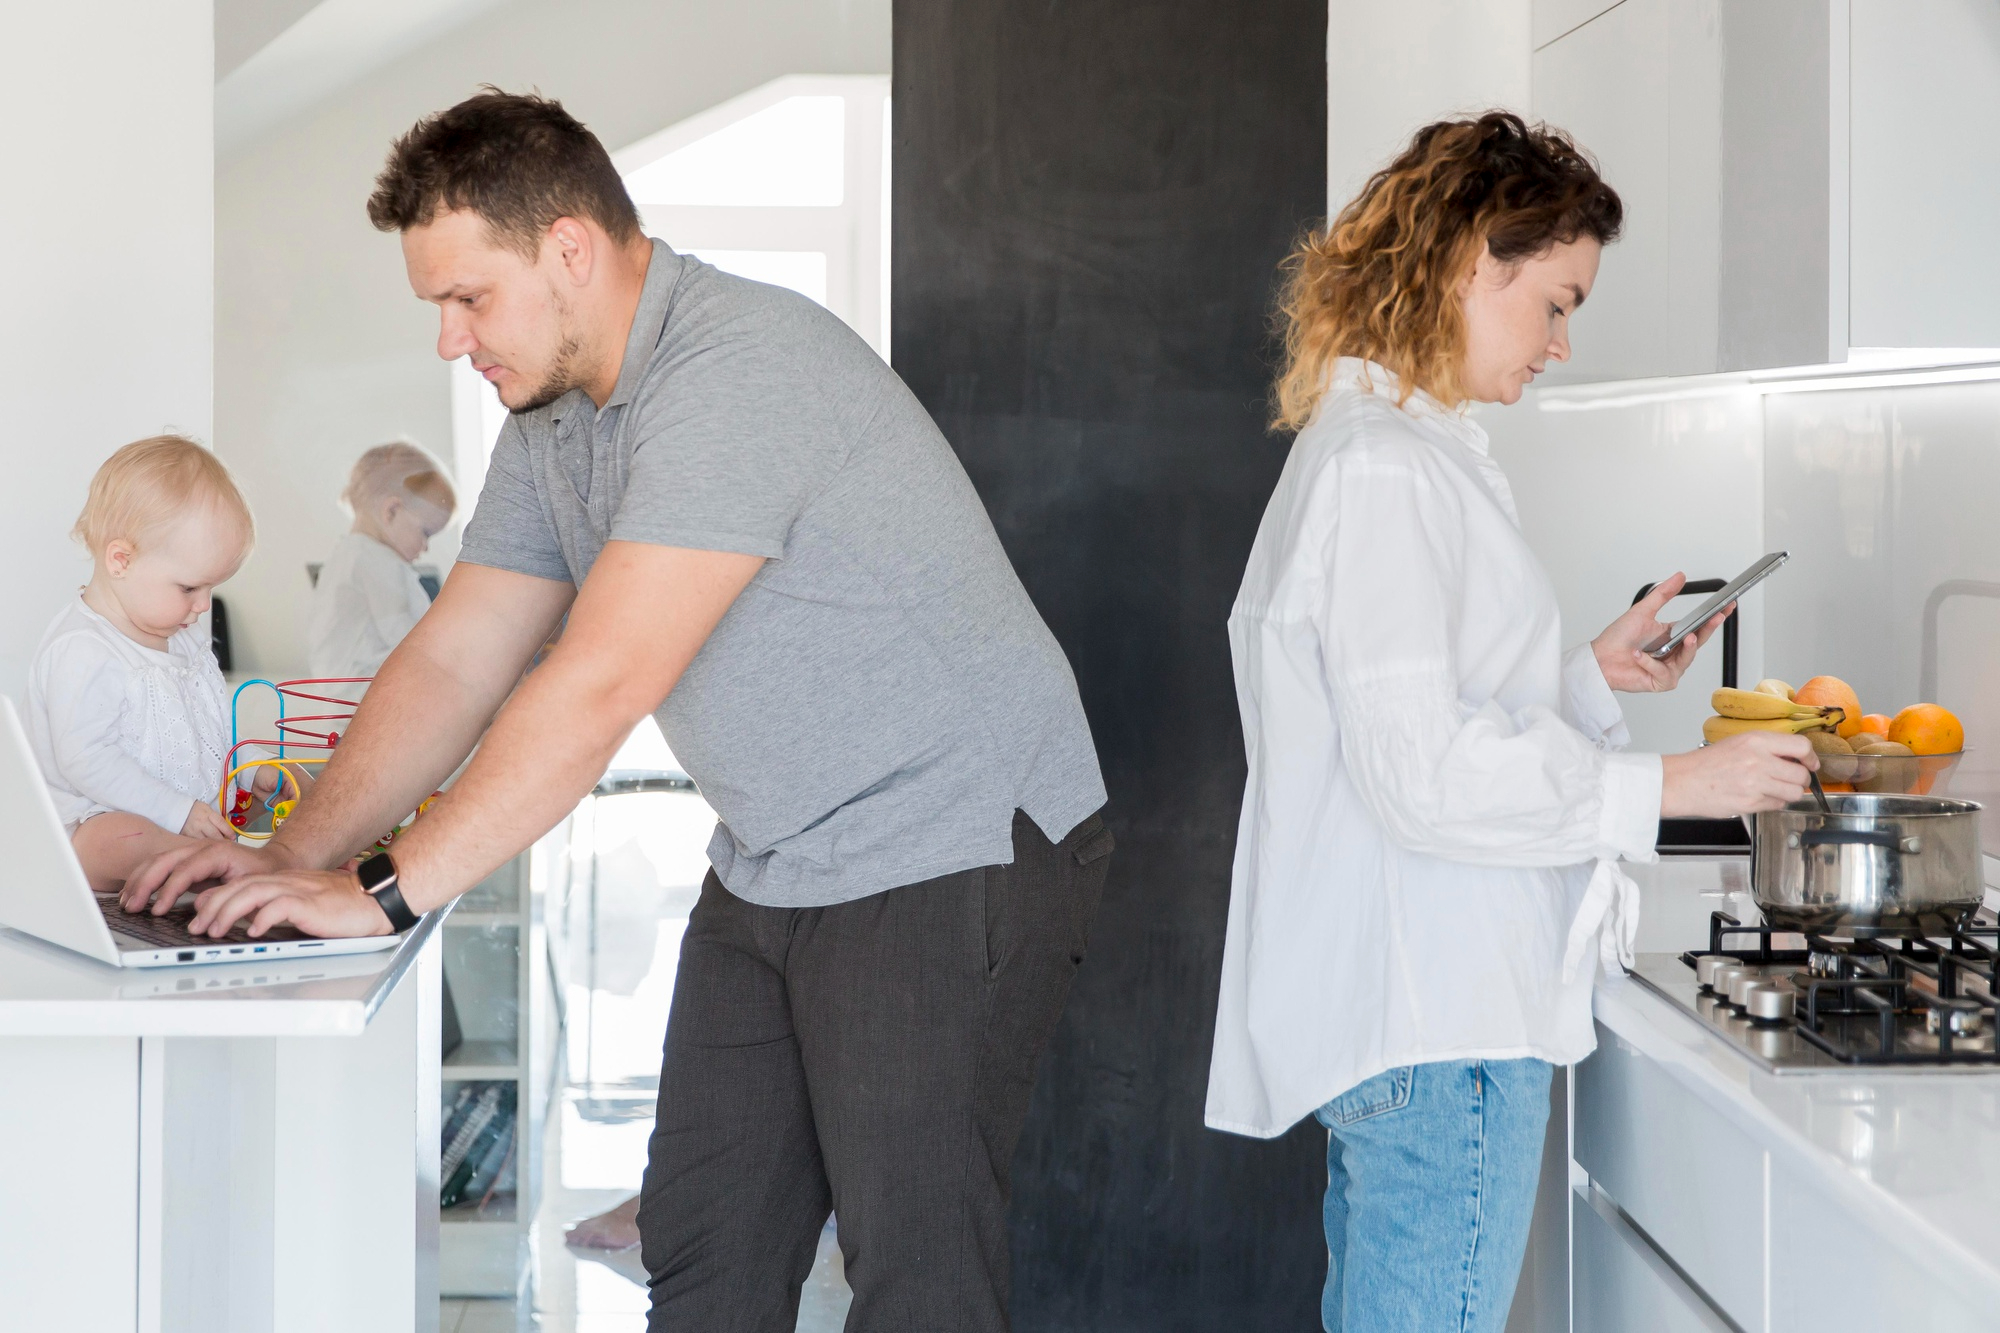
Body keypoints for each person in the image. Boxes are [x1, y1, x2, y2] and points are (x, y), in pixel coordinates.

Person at [125, 90, 1111, 1333]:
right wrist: (285, 861)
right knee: (702, 1253)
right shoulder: (552, 422)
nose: (447, 340)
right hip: (780, 852)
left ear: (569, 251)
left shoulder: (739, 370)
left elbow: (596, 684)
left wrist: (381, 887)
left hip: (952, 839)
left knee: (916, 1276)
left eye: (466, 297)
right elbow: (456, 659)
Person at [1204, 112, 1815, 1332]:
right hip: (1443, 1023)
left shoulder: (1394, 448)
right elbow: (1421, 775)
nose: (1561, 341)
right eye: (1553, 301)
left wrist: (1582, 676)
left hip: (1421, 1017)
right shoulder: (1383, 467)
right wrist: (1675, 784)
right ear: (1473, 258)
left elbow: (1407, 714)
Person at [28, 435, 283, 890]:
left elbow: (205, 737)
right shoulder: (83, 649)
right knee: (123, 836)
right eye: (189, 588)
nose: (204, 605)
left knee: (280, 794)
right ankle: (214, 867)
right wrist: (175, 812)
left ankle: (222, 862)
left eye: (211, 588)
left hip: (188, 819)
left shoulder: (182, 641)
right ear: (121, 560)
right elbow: (86, 759)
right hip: (94, 827)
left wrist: (250, 765)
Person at [308, 441, 457, 678]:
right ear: (392, 510)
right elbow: (404, 637)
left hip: (342, 697)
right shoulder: (377, 562)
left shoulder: (348, 554)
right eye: (425, 533)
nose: (426, 547)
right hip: (363, 693)